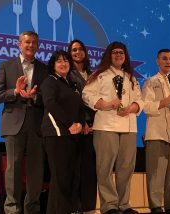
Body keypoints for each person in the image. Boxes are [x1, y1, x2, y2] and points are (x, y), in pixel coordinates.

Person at [82, 41, 143, 214]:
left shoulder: (130, 77)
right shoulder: (99, 75)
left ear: (125, 57)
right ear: (109, 55)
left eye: (121, 53)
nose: (118, 55)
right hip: (106, 125)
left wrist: (133, 107)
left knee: (126, 167)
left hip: (129, 126)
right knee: (105, 167)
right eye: (115, 52)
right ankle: (109, 205)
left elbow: (140, 99)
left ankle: (124, 204)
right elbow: (87, 94)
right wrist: (105, 104)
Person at [0, 31, 47, 214]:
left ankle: (32, 208)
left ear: (37, 46)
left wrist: (34, 96)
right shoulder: (6, 66)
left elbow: (47, 98)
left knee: (35, 170)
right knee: (13, 169)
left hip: (36, 124)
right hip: (13, 122)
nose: (30, 45)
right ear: (19, 44)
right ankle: (12, 209)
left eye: (34, 42)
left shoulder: (44, 69)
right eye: (27, 42)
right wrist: (15, 92)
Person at [141, 49, 170, 213]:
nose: (168, 62)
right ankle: (156, 204)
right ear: (157, 61)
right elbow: (145, 107)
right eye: (164, 59)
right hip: (156, 132)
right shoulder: (150, 82)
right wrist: (164, 102)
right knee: (156, 171)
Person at [40, 50, 85, 214]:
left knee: (71, 177)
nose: (63, 63)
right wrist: (69, 124)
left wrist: (80, 123)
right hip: (56, 134)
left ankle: (70, 210)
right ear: (52, 65)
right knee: (60, 179)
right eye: (59, 61)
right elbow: (51, 104)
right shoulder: (49, 82)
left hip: (73, 135)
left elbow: (80, 107)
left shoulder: (72, 84)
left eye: (66, 60)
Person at [68, 39, 98, 214]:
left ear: (85, 53)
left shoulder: (93, 74)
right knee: (75, 171)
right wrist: (83, 122)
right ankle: (74, 208)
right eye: (73, 50)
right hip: (76, 127)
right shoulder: (68, 74)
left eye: (80, 49)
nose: (77, 52)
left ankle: (89, 208)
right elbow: (73, 101)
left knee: (90, 172)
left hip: (94, 128)